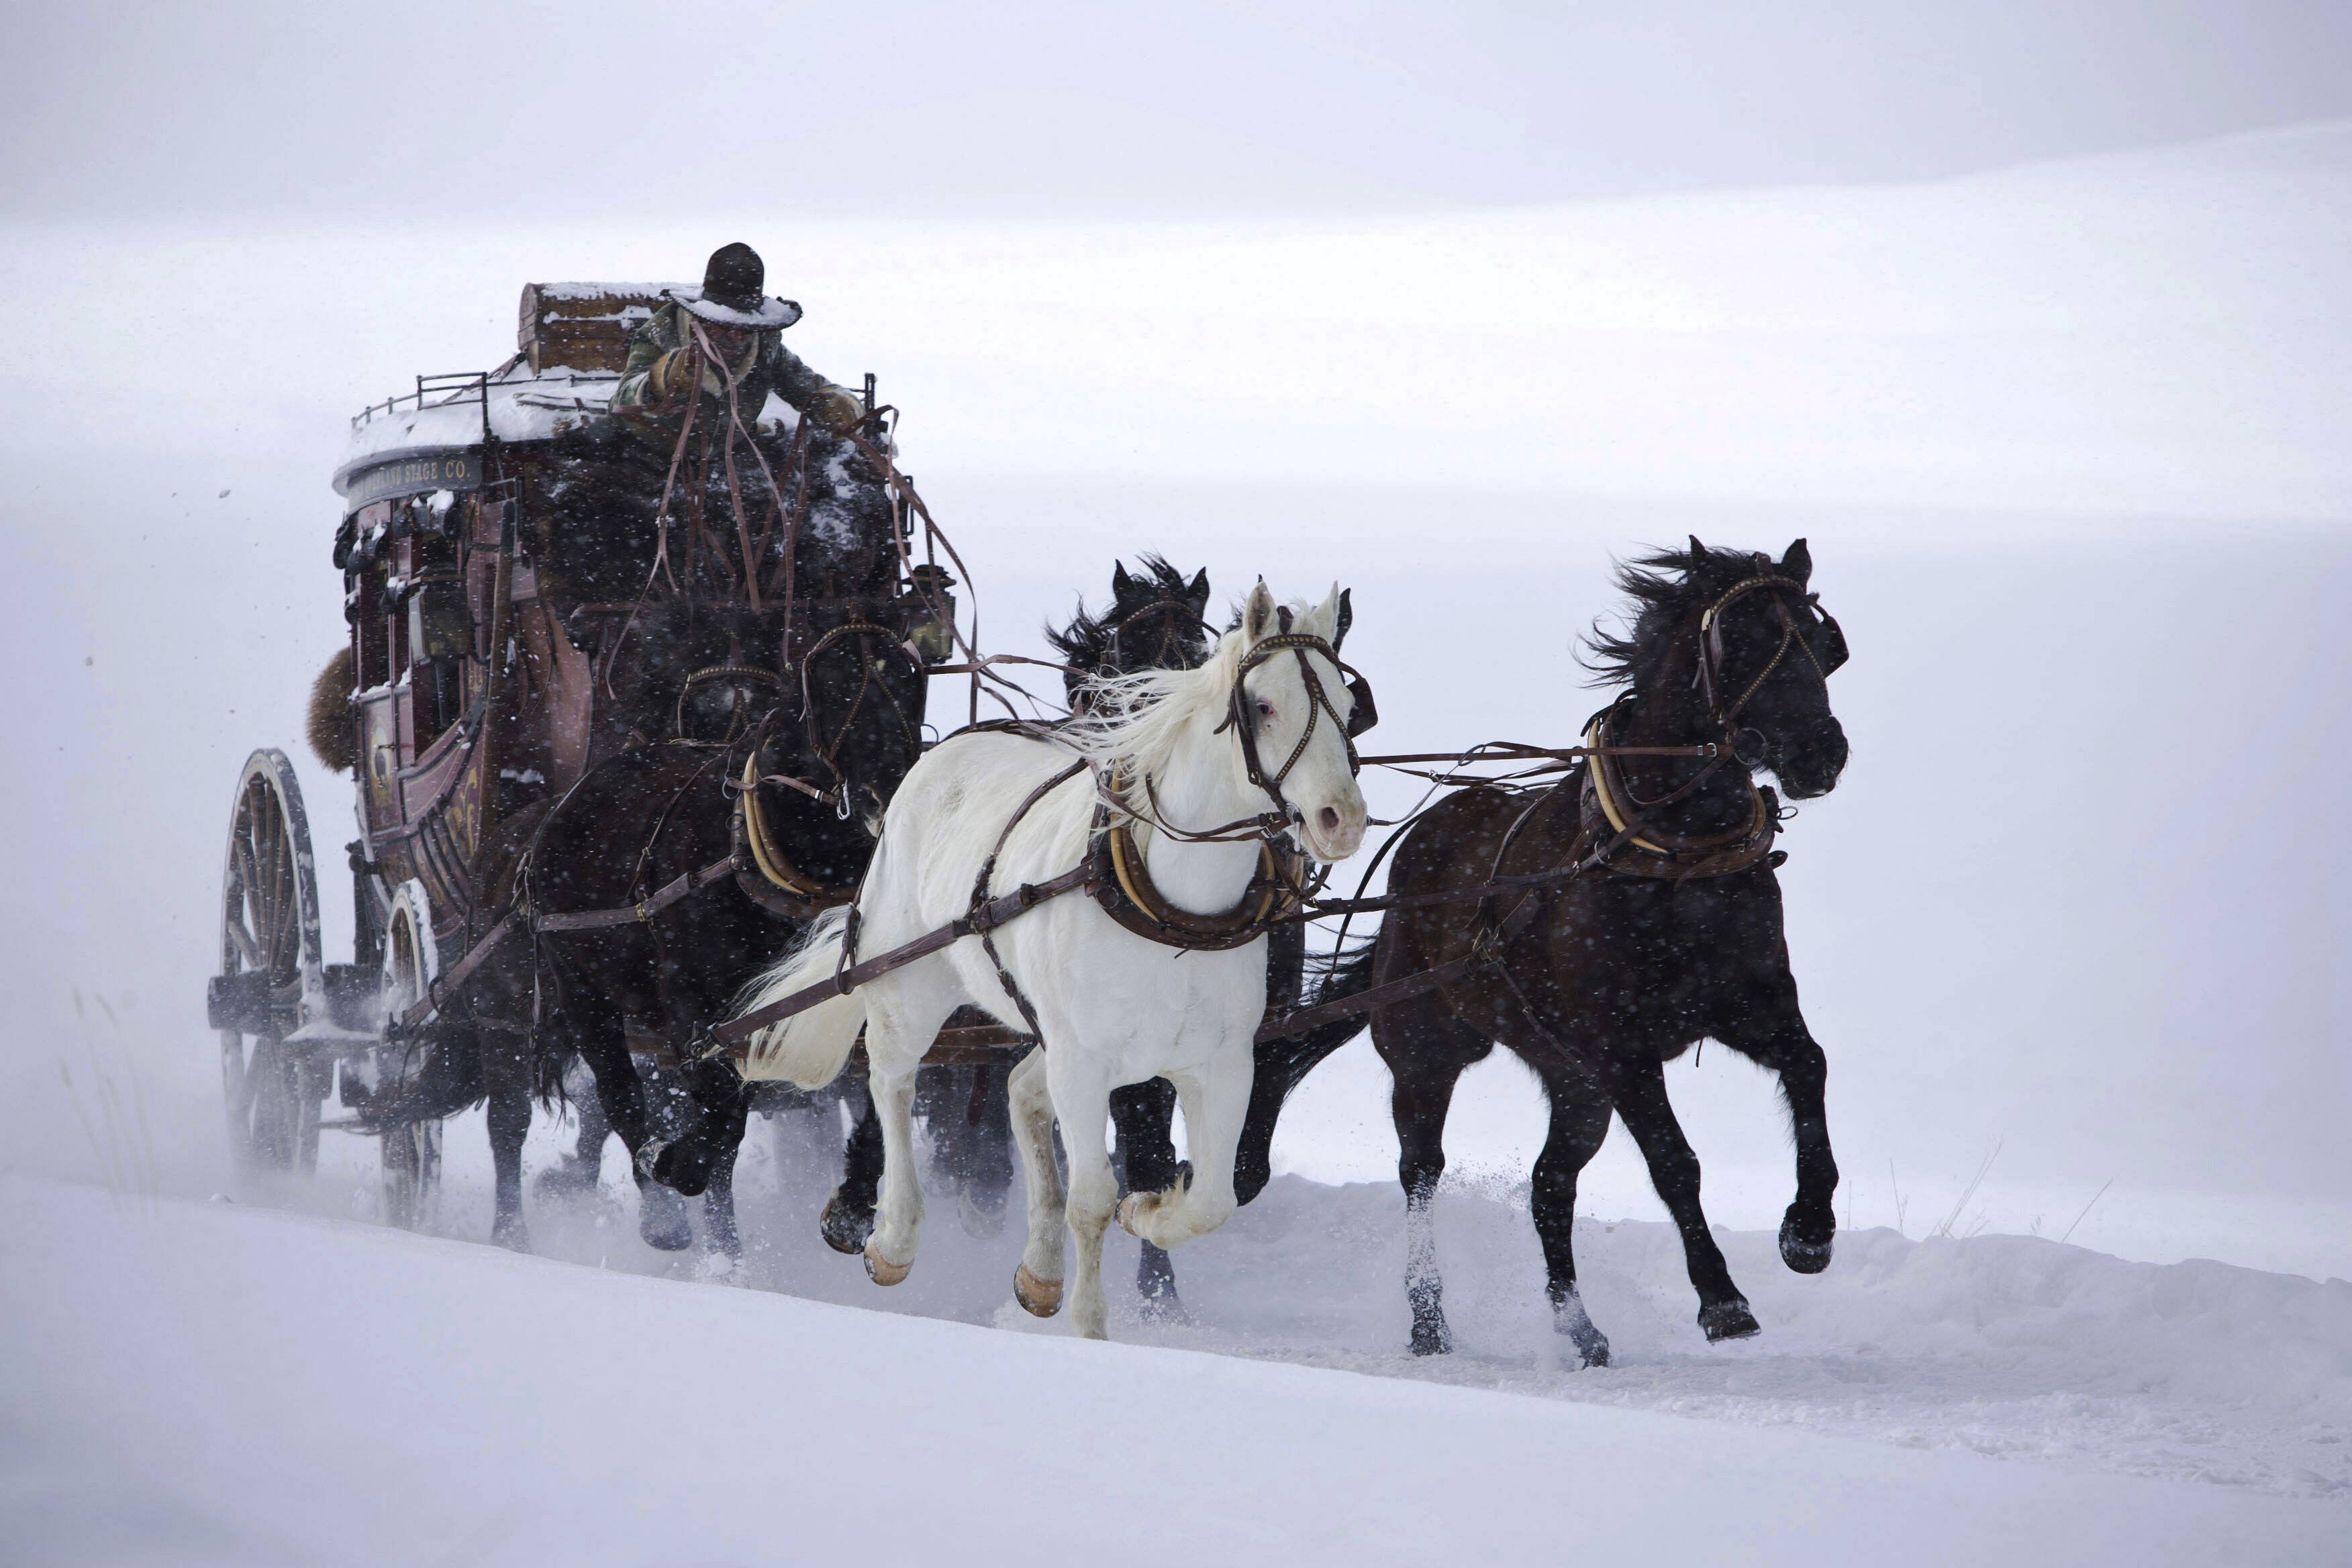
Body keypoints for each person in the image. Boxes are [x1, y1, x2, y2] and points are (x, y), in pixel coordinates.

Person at [610, 242, 865, 445]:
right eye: (726, 325)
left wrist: (833, 405)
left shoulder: (764, 345)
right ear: (701, 318)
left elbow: (808, 387)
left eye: (745, 328)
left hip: (727, 456)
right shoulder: (663, 330)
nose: (736, 336)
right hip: (650, 456)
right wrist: (661, 381)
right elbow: (620, 405)